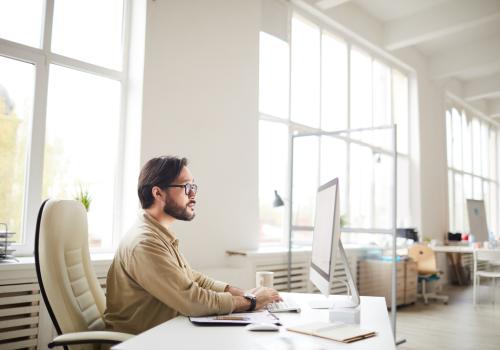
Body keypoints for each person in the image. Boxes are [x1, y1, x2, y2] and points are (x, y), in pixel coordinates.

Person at [104, 156, 281, 334]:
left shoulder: (157, 234)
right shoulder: (145, 243)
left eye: (194, 187)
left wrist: (240, 292)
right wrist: (252, 301)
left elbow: (192, 278)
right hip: (140, 343)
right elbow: (192, 300)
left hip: (162, 335)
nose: (193, 194)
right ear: (157, 193)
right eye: (186, 187)